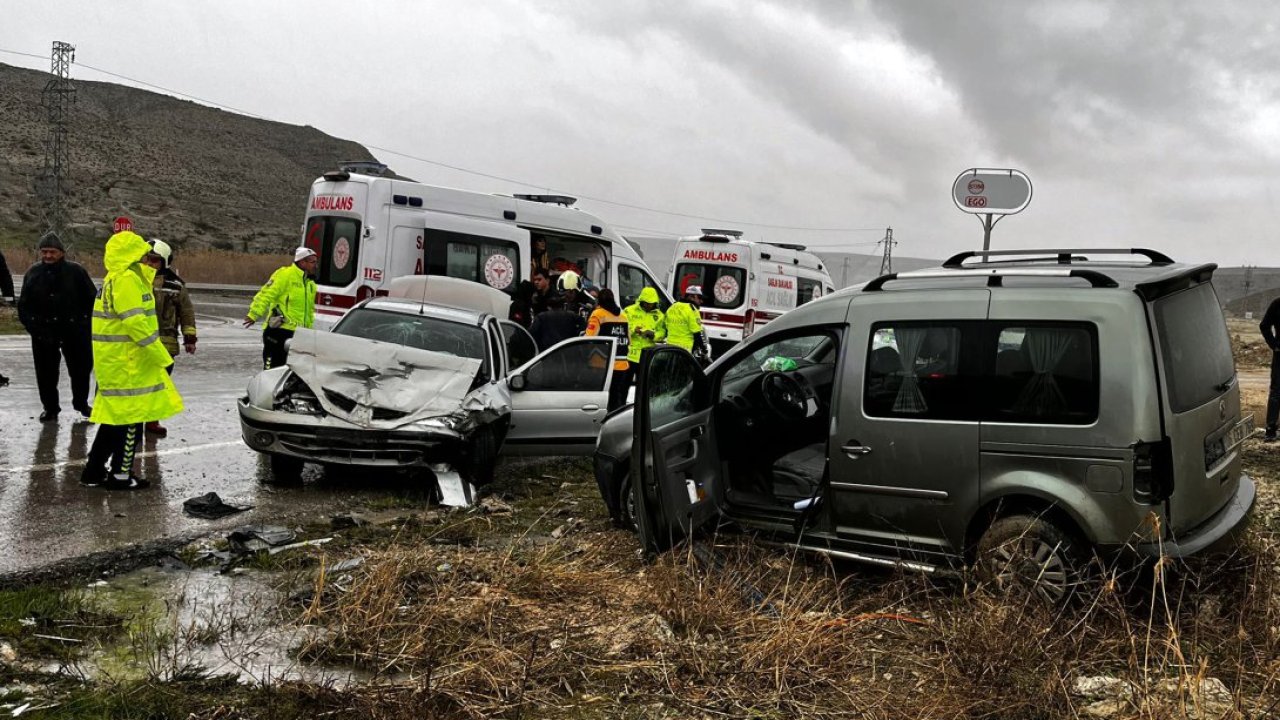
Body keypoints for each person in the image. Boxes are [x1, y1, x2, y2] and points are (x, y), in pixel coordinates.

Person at [80, 230, 184, 490]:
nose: (148, 260)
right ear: (132, 256)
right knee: (131, 423)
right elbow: (136, 325)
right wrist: (161, 356)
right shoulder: (127, 280)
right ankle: (121, 476)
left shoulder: (114, 279)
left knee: (114, 421)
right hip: (128, 363)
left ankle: (93, 471)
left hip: (117, 362)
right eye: (144, 255)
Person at [17, 231, 97, 422]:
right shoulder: (33, 273)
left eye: (52, 252)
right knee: (45, 374)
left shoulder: (77, 272)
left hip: (74, 332)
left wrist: (84, 325)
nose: (48, 256)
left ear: (61, 252)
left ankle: (81, 403)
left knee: (81, 370)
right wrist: (34, 328)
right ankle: (50, 408)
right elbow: (24, 307)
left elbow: (93, 301)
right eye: (44, 252)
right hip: (43, 333)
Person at [140, 239, 197, 438]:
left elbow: (186, 312)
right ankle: (135, 421)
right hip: (139, 342)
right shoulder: (134, 280)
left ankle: (152, 420)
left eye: (154, 260)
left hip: (166, 343)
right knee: (139, 384)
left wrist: (190, 338)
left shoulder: (176, 285)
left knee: (160, 384)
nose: (149, 264)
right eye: (146, 259)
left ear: (165, 262)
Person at [244, 247, 318, 370]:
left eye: (316, 262)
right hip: (279, 332)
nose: (315, 265)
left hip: (299, 335)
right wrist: (254, 314)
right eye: (312, 262)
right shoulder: (284, 275)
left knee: (292, 372)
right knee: (272, 370)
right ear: (302, 262)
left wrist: (309, 332)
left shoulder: (310, 283)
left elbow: (309, 311)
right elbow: (266, 294)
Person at [585, 288, 631, 411]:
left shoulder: (598, 314)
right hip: (622, 365)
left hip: (602, 364)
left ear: (599, 301)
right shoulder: (623, 317)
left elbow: (589, 338)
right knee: (616, 397)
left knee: (600, 399)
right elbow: (629, 340)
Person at [665, 284, 710, 362]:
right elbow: (697, 333)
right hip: (684, 351)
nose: (701, 301)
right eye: (699, 298)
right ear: (691, 297)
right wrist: (704, 350)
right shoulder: (692, 310)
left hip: (669, 349)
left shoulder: (672, 307)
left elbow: (665, 327)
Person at [624, 286, 666, 367]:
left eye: (651, 303)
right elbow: (622, 328)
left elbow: (662, 332)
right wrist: (633, 330)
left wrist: (654, 335)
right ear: (642, 301)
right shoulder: (629, 311)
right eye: (646, 303)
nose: (648, 305)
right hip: (629, 355)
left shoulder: (660, 316)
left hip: (647, 356)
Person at [1262, 295, 1280, 442]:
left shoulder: (1277, 303)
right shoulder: (1277, 304)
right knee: (1276, 391)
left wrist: (1274, 344)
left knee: (1276, 391)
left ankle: (1270, 430)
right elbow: (1264, 326)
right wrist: (1274, 345)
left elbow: (1264, 326)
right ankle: (1270, 429)